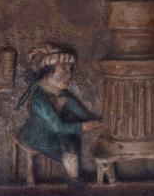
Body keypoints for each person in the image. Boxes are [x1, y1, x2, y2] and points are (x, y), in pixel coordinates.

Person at [17, 43, 101, 186]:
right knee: (67, 149)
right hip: (38, 137)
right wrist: (83, 127)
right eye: (64, 69)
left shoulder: (62, 95)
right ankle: (74, 178)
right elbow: (57, 126)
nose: (69, 75)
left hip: (55, 132)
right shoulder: (40, 100)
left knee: (71, 142)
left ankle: (74, 177)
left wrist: (95, 121)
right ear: (47, 74)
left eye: (70, 69)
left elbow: (81, 113)